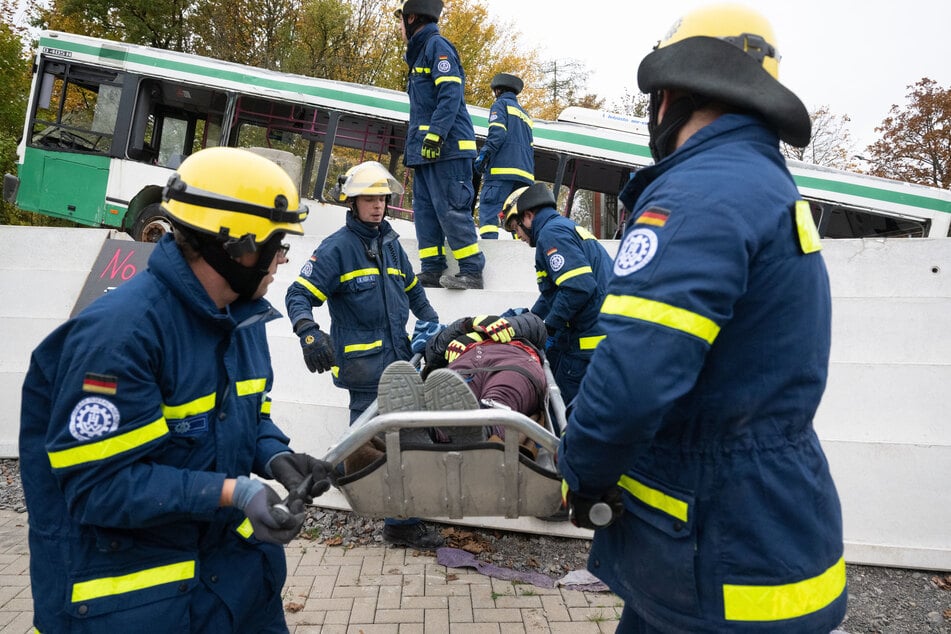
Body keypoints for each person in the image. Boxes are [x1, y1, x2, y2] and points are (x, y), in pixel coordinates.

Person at [557, 5, 847, 632]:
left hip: (715, 554)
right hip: (762, 530)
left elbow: (633, 377)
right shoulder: (763, 185)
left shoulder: (700, 194)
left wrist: (579, 471)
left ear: (671, 93)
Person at [18, 147, 335, 633]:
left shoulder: (242, 318)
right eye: (278, 244)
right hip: (138, 607)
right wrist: (232, 491)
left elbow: (240, 421)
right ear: (235, 246)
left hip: (234, 590)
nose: (281, 261)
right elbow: (98, 488)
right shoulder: (120, 337)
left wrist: (274, 457)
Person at [284, 160, 445, 549]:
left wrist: (430, 320)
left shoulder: (390, 244)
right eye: (368, 198)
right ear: (352, 202)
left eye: (382, 198)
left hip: (399, 363)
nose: (377, 205)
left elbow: (413, 291)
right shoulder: (337, 248)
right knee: (375, 447)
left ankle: (395, 514)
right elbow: (298, 294)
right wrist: (308, 332)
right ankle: (397, 521)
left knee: (394, 443)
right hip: (364, 370)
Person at [394, 0, 486, 290]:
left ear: (411, 18)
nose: (398, 28)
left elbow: (450, 92)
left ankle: (472, 271)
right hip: (425, 151)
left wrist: (436, 134)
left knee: (450, 209)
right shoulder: (420, 52)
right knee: (424, 211)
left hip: (447, 148)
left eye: (400, 21)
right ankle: (432, 269)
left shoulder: (437, 46)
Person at [500, 182, 613, 405]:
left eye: (516, 229)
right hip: (595, 338)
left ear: (529, 216)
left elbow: (578, 287)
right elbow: (553, 292)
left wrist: (547, 327)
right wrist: (531, 320)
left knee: (560, 410)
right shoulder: (562, 228)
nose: (519, 237)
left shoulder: (551, 234)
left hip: (586, 347)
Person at [474, 73, 534, 240]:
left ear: (498, 90)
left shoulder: (500, 105)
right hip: (525, 175)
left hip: (502, 171)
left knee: (489, 208)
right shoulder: (525, 115)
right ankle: (518, 249)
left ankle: (490, 248)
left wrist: (484, 155)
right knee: (517, 214)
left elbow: (497, 134)